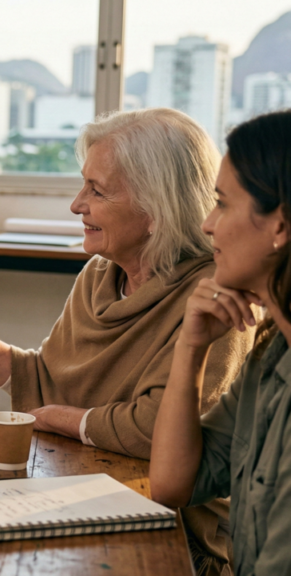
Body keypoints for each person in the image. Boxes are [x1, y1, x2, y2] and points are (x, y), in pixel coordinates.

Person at [0, 108, 253, 575]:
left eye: (97, 190)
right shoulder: (100, 274)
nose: (76, 204)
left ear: (155, 207)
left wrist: (65, 419)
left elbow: (156, 431)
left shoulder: (213, 296)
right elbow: (43, 379)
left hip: (177, 533)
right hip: (83, 494)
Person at [151, 110, 291, 576]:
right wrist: (190, 348)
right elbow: (173, 485)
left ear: (281, 225)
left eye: (223, 204)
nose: (209, 225)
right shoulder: (271, 357)